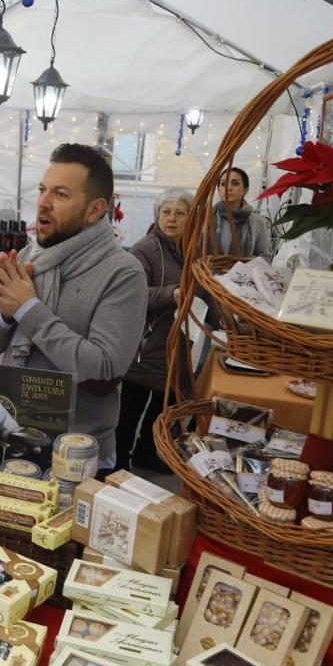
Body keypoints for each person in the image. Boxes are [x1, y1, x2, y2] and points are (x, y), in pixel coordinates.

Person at [0, 143, 148, 470]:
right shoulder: (29, 256)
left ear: (95, 210)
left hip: (75, 459)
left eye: (61, 194)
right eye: (42, 190)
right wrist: (7, 313)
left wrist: (27, 308)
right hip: (5, 442)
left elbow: (104, 372)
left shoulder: (123, 272)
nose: (43, 202)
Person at [115, 188, 193, 473]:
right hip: (145, 347)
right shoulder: (144, 250)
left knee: (163, 408)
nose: (172, 219)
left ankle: (147, 454)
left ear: (190, 217)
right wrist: (171, 294)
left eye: (180, 213)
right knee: (130, 408)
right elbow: (133, 295)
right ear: (157, 215)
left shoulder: (192, 249)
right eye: (166, 212)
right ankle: (119, 459)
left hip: (176, 347)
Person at [208, 167, 273, 259]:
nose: (229, 188)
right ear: (218, 190)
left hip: (245, 273)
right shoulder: (206, 219)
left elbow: (265, 257)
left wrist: (245, 265)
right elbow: (195, 252)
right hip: (207, 273)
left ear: (245, 189)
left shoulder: (257, 222)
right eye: (223, 184)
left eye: (235, 183)